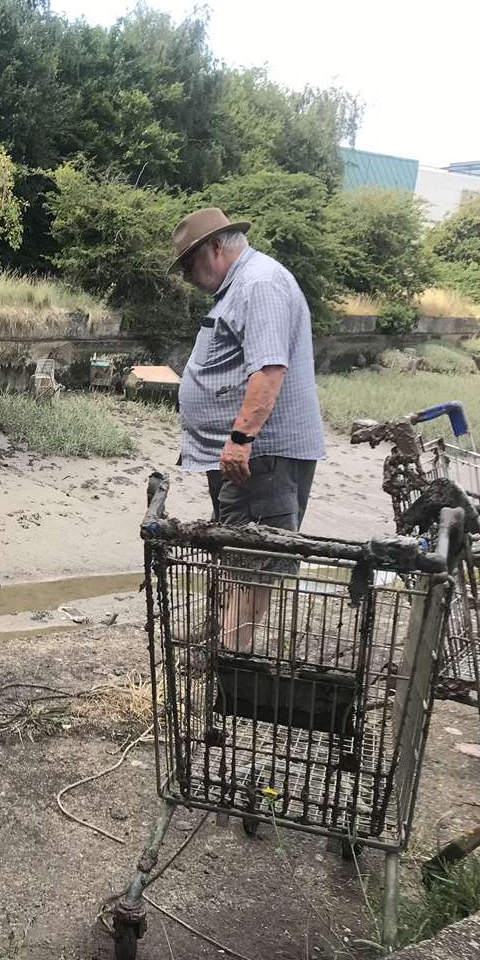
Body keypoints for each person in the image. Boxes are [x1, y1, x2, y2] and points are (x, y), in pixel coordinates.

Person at [170, 207, 326, 650]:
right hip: (241, 454)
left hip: (262, 454)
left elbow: (270, 369)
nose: (185, 276)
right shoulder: (240, 286)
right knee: (233, 542)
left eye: (187, 263)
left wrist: (240, 441)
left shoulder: (259, 284)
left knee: (259, 556)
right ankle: (218, 632)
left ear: (216, 247)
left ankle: (229, 652)